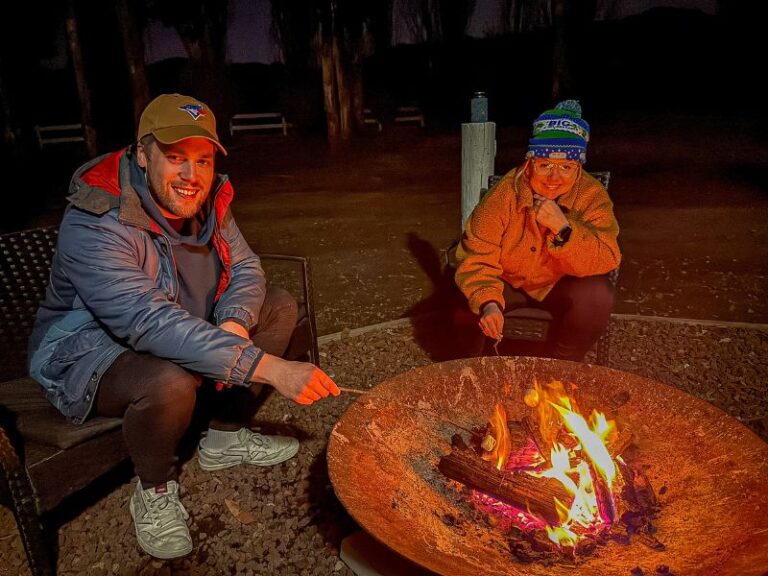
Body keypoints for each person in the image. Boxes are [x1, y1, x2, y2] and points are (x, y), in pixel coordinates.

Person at [28, 93, 340, 559]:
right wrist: (267, 367)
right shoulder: (97, 220)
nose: (192, 176)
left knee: (274, 306)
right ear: (141, 154)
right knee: (168, 380)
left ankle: (224, 435)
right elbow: (146, 320)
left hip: (173, 321)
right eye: (175, 158)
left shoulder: (210, 201)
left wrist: (235, 322)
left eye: (203, 160)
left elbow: (249, 268)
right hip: (87, 352)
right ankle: (153, 490)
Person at [454, 100, 621, 362]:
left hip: (560, 284)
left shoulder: (591, 195)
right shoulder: (503, 196)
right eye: (545, 165)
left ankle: (562, 369)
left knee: (597, 295)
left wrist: (564, 229)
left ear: (578, 167)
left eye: (565, 167)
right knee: (461, 301)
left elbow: (607, 256)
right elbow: (476, 257)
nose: (554, 178)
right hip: (507, 281)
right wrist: (488, 302)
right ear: (530, 162)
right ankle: (473, 369)